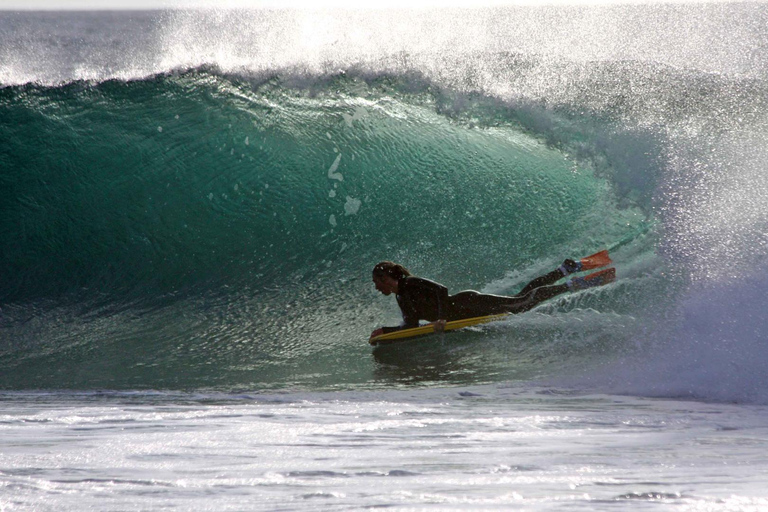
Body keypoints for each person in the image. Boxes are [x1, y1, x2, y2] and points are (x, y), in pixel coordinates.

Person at [370, 251, 615, 340]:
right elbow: (411, 324)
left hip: (470, 303)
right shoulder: (401, 296)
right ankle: (565, 270)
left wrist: (441, 319)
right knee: (522, 297)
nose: (376, 288)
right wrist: (386, 331)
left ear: (386, 278)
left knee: (522, 304)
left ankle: (574, 283)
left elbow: (440, 291)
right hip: (466, 312)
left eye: (376, 283)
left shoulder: (410, 283)